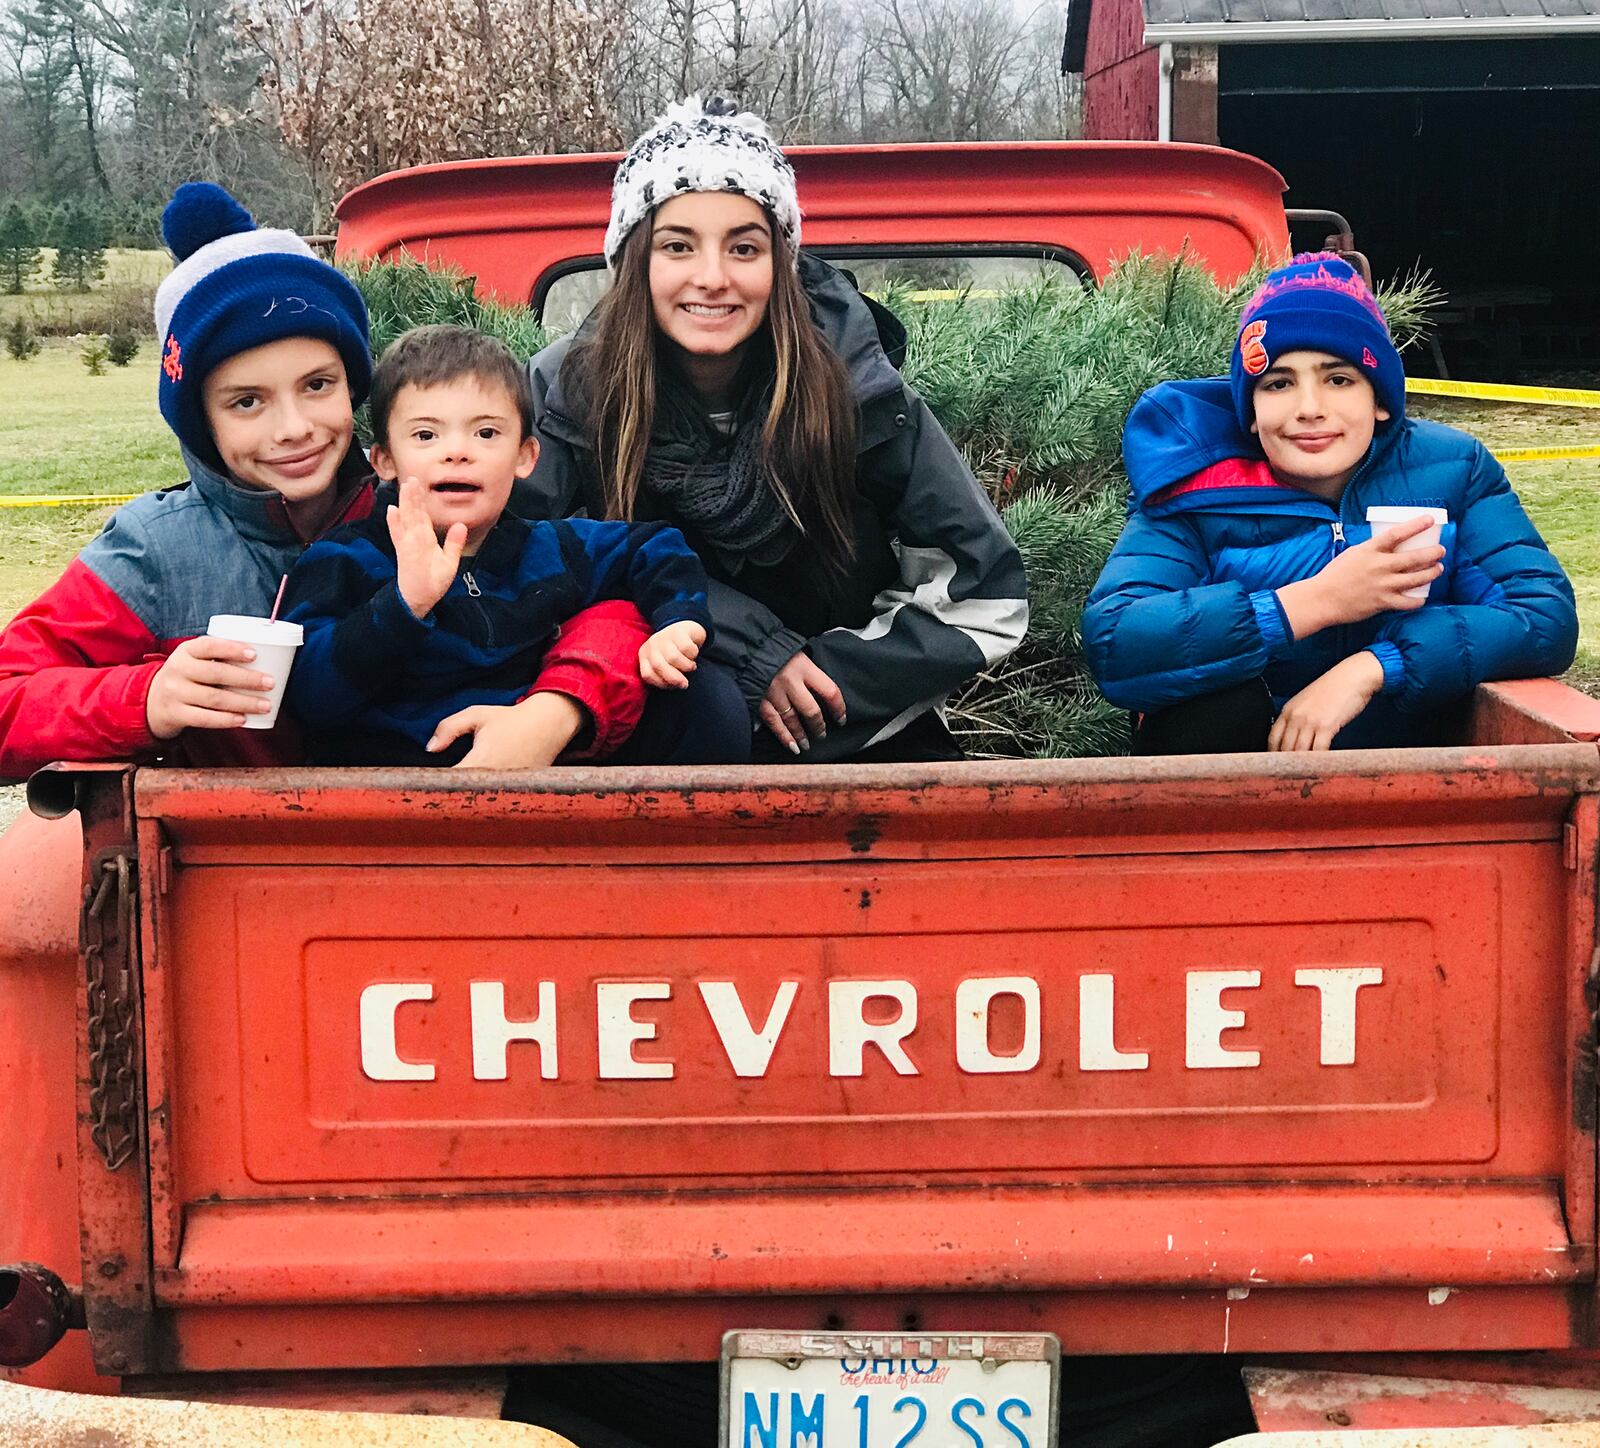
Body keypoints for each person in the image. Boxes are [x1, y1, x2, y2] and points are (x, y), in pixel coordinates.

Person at [0, 183, 647, 783]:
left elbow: (599, 593)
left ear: (354, 387)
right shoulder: (156, 553)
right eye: (246, 402)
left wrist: (560, 705)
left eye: (317, 386)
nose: (294, 428)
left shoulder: (425, 497)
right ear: (199, 419)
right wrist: (145, 699)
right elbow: (9, 697)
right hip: (238, 869)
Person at [516, 96, 1028, 762]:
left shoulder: (856, 389)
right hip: (656, 736)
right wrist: (752, 650)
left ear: (779, 262)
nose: (712, 278)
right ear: (635, 260)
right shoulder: (569, 394)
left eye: (744, 247)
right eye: (678, 245)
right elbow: (515, 565)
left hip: (853, 740)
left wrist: (821, 690)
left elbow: (985, 594)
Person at [1083, 253, 1577, 753]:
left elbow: (1543, 617)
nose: (1309, 409)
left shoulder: (1454, 470)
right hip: (1234, 797)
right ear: (1249, 411)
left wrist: (1373, 667)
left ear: (1380, 399)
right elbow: (1116, 643)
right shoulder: (1194, 486)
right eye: (1278, 384)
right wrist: (1318, 601)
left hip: (1411, 790)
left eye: (1338, 379)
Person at [282, 325, 750, 767]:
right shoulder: (343, 559)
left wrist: (677, 621)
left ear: (525, 457)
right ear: (383, 459)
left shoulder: (547, 548)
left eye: (486, 433)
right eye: (426, 435)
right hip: (397, 790)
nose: (457, 451)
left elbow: (653, 545)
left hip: (537, 765)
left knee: (705, 698)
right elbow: (312, 695)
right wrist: (405, 605)